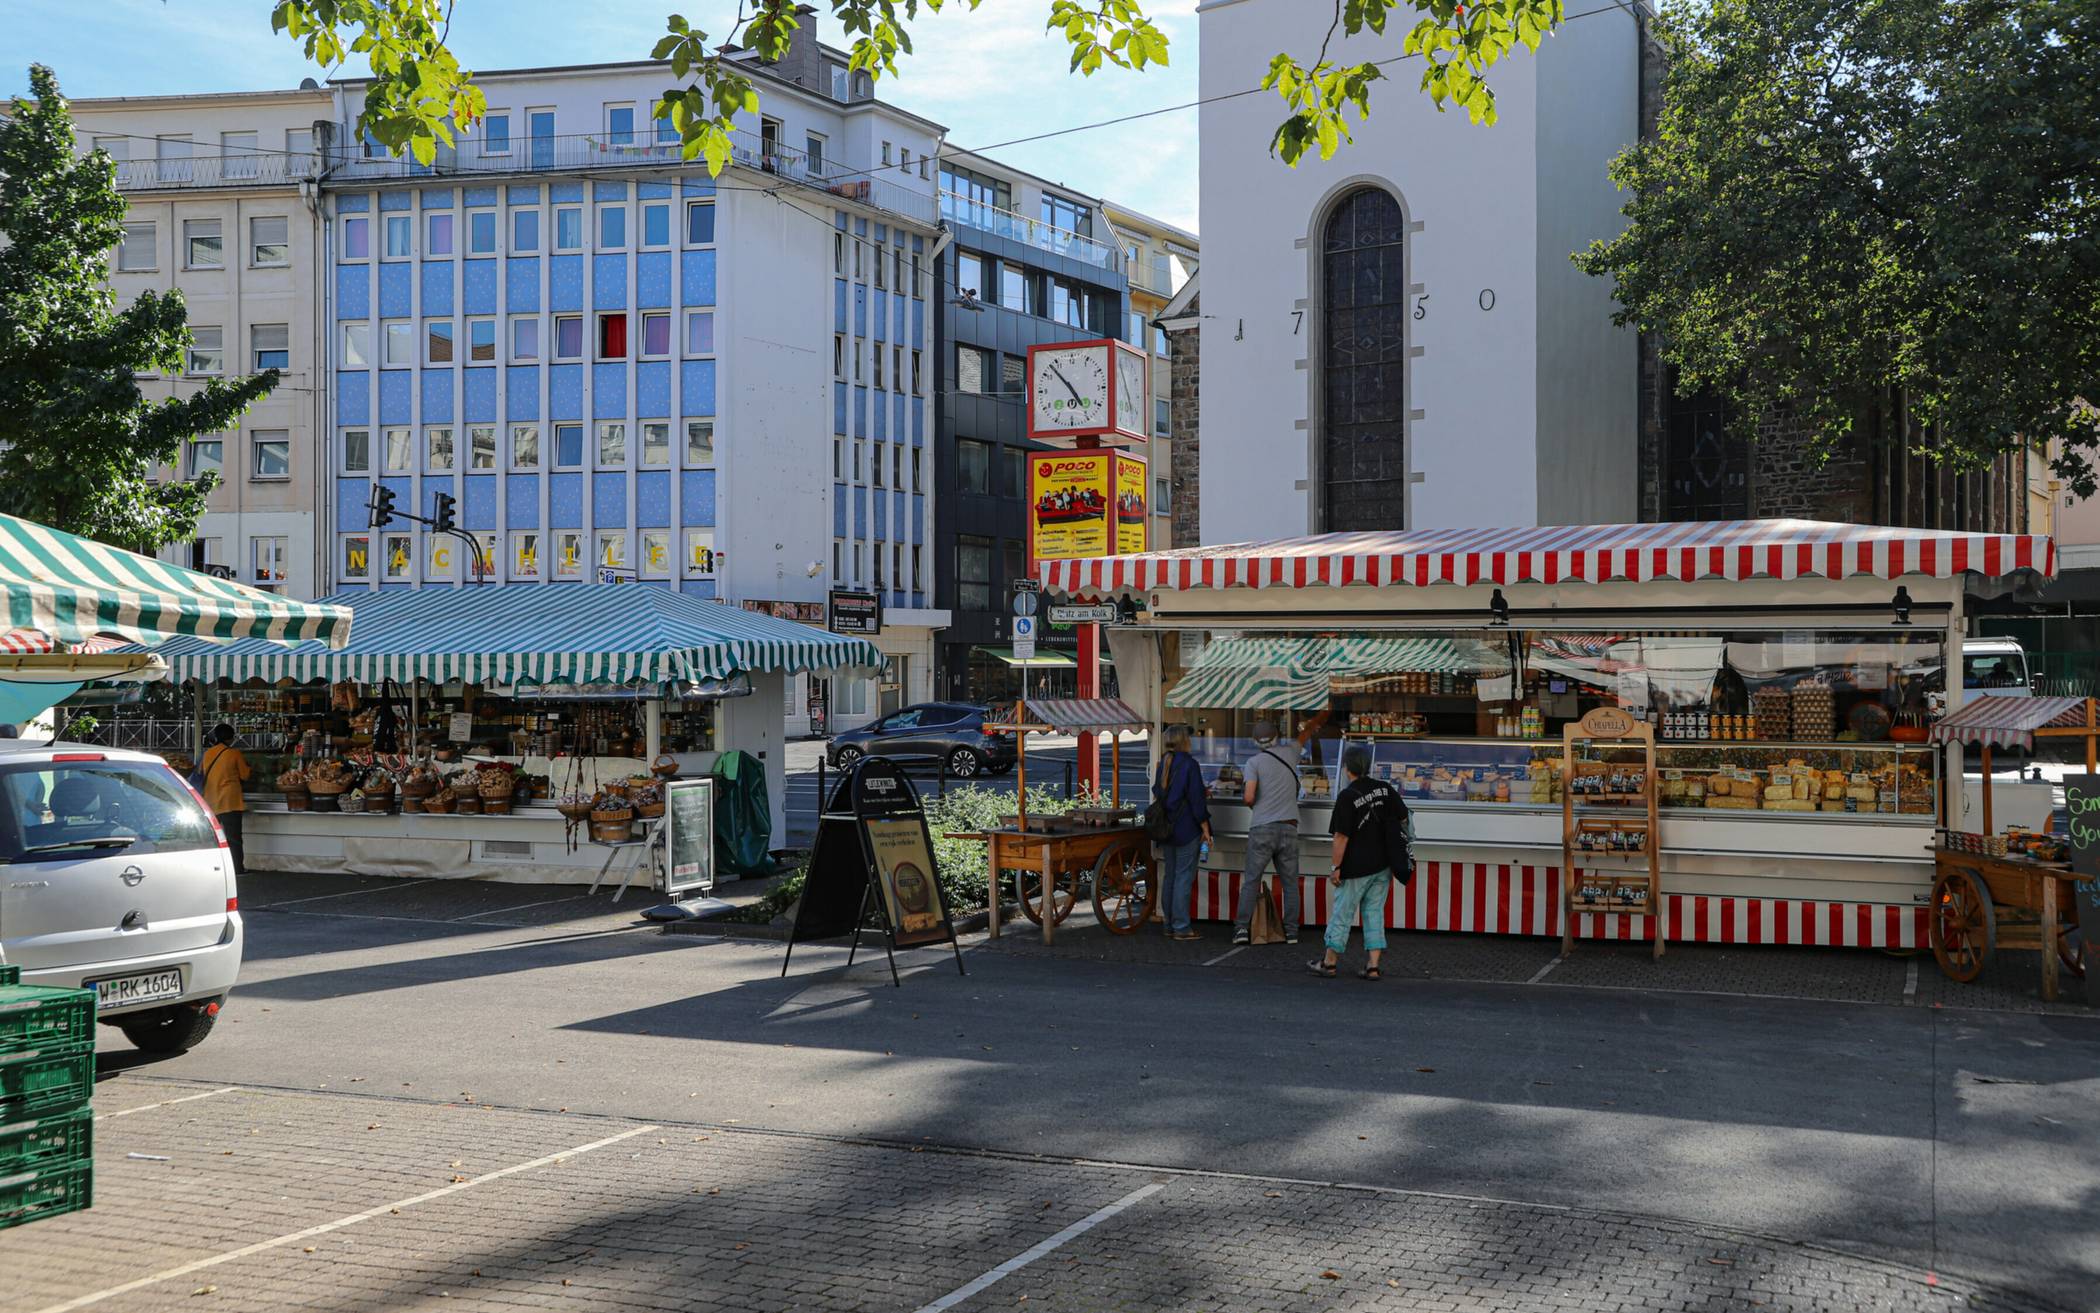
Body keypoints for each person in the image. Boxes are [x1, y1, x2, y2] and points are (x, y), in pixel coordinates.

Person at [1311, 743, 1405, 980]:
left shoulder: (1347, 796)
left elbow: (1340, 837)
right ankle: (1373, 966)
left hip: (1355, 868)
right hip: (1383, 865)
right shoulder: (1385, 789)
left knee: (1342, 914)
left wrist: (1336, 868)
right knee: (1374, 913)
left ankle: (1329, 963)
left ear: (1346, 769)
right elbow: (1403, 816)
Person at [1232, 713, 1326, 947]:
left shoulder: (1253, 763)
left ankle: (1242, 930)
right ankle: (1291, 932)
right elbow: (1305, 734)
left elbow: (1249, 796)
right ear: (1277, 737)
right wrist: (1321, 716)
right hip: (1289, 827)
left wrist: (1258, 806)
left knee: (1252, 881)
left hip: (1262, 827)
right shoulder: (1291, 752)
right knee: (1290, 883)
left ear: (1256, 741)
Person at [1152, 723, 1211, 941]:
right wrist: (1206, 827)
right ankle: (1182, 927)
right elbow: (1197, 800)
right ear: (1184, 741)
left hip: (1166, 828)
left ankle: (1169, 924)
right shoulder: (1190, 764)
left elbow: (1159, 791)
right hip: (1186, 828)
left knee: (1170, 876)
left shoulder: (1164, 762)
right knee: (1183, 878)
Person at [198, 723, 252, 873]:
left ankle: (213, 868)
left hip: (210, 800)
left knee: (213, 839)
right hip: (229, 801)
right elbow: (245, 775)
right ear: (231, 737)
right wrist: (250, 768)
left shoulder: (208, 754)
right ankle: (237, 869)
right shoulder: (234, 753)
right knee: (233, 839)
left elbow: (202, 772)